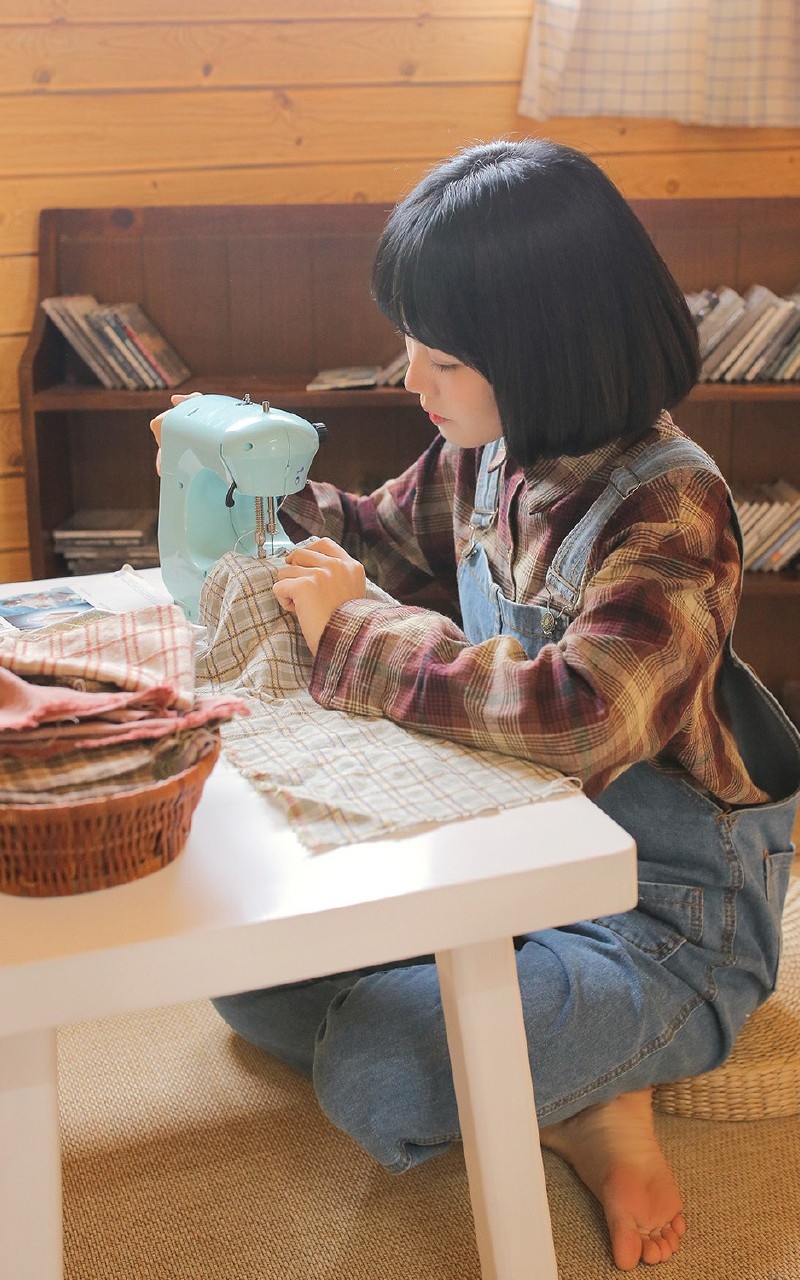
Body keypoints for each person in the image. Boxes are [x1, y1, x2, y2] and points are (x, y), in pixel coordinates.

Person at [151, 138, 800, 1270]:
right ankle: (550, 1070)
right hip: (510, 867)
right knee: (242, 978)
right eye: (411, 349)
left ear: (545, 354)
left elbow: (580, 712)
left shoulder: (670, 507)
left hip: (659, 924)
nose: (411, 382)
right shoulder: (489, 450)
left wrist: (356, 629)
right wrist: (237, 471)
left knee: (375, 1070)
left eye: (439, 360)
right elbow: (372, 535)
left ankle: (596, 1095)